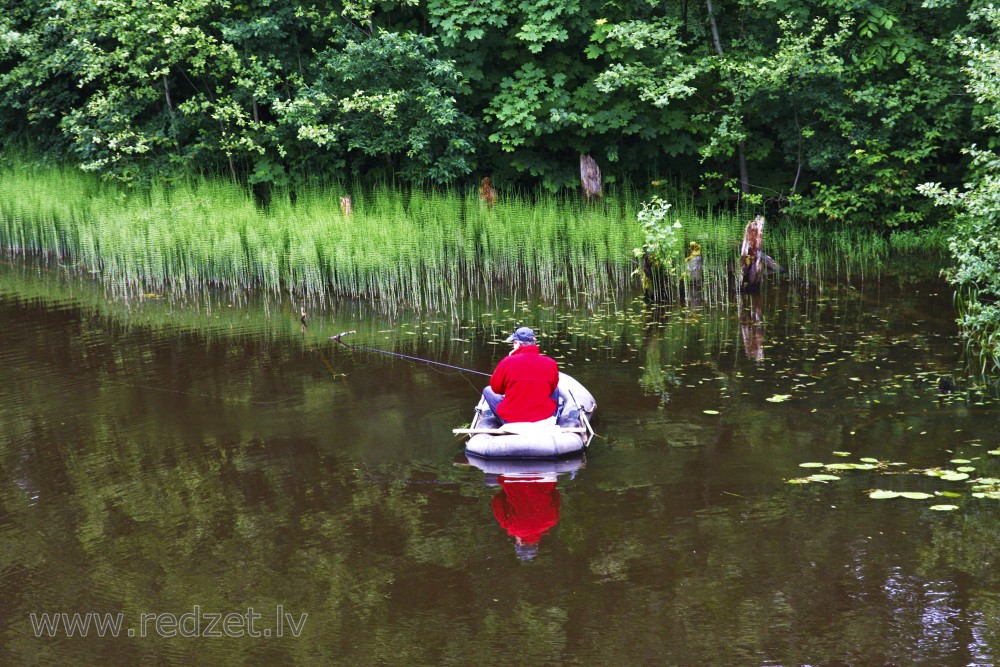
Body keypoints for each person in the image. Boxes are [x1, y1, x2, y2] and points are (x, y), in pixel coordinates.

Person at [482, 327, 559, 424]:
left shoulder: (507, 362)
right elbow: (552, 388)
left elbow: (496, 389)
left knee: (487, 390)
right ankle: (554, 416)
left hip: (513, 420)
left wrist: (510, 358)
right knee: (556, 389)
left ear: (517, 343)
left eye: (513, 343)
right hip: (543, 418)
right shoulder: (551, 363)